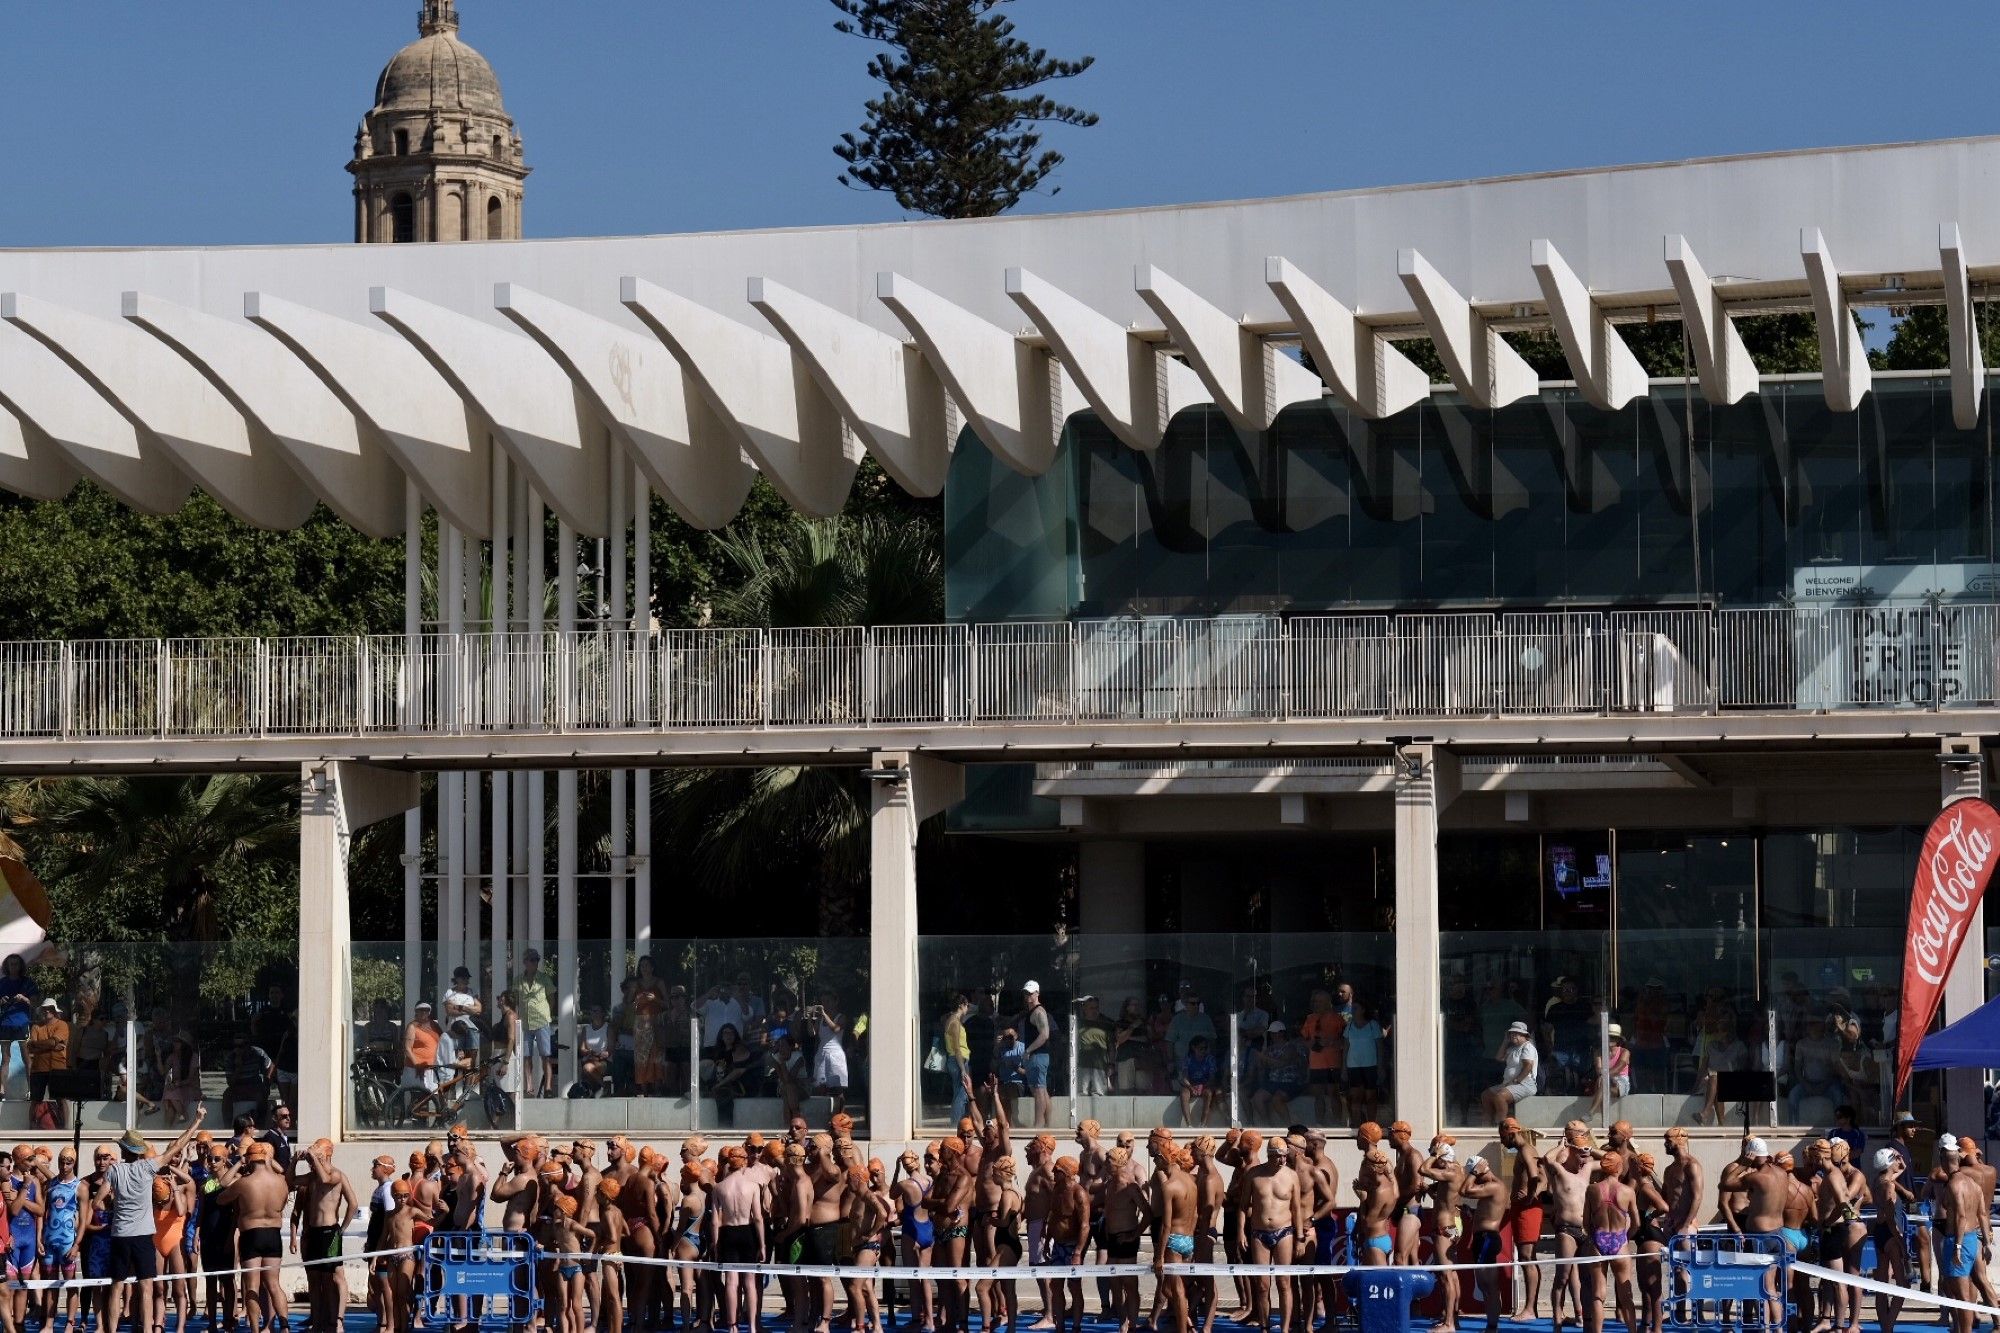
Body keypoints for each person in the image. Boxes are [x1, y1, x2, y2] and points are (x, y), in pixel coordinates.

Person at [98, 1116, 207, 1333]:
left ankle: (111, 1330)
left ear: (123, 1151)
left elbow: (96, 1202)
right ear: (139, 1152)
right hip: (143, 1236)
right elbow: (178, 1145)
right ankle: (148, 1329)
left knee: (116, 1286)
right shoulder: (148, 1167)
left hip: (120, 1234)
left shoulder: (114, 1170)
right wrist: (196, 1121)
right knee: (147, 1287)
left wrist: (112, 1206)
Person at [290, 1138, 356, 1333]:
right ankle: (317, 1322)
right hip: (313, 1233)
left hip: (329, 1232)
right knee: (314, 1279)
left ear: (327, 1153)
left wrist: (342, 1228)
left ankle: (334, 1322)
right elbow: (291, 1181)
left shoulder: (336, 1175)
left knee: (329, 1280)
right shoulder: (311, 1178)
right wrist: (294, 1161)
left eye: (317, 1153)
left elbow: (351, 1202)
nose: (312, 1159)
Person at [512, 950, 556, 1100]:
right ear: (525, 962)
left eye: (536, 960)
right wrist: (516, 1018)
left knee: (546, 1055)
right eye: (531, 960)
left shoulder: (544, 979)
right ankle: (529, 1086)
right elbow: (515, 1001)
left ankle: (548, 1087)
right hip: (525, 1023)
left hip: (541, 1021)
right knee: (526, 1056)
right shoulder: (518, 980)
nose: (534, 962)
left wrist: (546, 1014)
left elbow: (552, 998)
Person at [1300, 989, 1346, 1124]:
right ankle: (1319, 1123)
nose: (1317, 1004)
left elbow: (1345, 1041)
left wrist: (1331, 1042)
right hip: (1316, 1063)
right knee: (1318, 1095)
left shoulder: (1337, 1019)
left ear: (1327, 1003)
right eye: (1315, 1001)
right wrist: (1311, 1044)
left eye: (1320, 1001)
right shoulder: (1310, 1019)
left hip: (1332, 1063)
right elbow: (1304, 1039)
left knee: (1334, 1094)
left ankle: (1338, 1123)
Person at [1482, 1021, 1537, 1122]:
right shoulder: (1512, 1048)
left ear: (1524, 1035)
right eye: (1511, 1033)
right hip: (1508, 1083)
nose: (1513, 1035)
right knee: (1486, 1095)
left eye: (1517, 1033)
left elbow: (1528, 1066)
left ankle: (1502, 1126)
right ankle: (1486, 1126)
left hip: (1524, 1084)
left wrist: (1517, 1080)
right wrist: (1505, 1041)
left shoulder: (1527, 1047)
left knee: (1500, 1097)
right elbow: (1499, 1058)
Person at [0, 956, 38, 1097]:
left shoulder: (28, 982)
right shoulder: (2, 982)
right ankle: (1, 1090)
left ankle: (31, 1090)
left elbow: (35, 1003)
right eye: (11, 964)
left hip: (22, 1023)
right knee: (5, 1059)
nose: (13, 967)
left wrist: (24, 998)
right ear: (7, 966)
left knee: (27, 1058)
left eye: (16, 964)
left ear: (20, 966)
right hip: (5, 1024)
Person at [1343, 1003, 1387, 1125]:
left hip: (1371, 1066)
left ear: (1363, 1009)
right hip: (1353, 1066)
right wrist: (1344, 1069)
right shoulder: (1349, 1026)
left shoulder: (1373, 1025)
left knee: (1371, 1097)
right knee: (1356, 1097)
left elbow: (1380, 1048)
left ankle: (1372, 1126)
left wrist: (1380, 1067)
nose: (1353, 1010)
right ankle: (1356, 1126)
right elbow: (1346, 1049)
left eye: (1356, 1008)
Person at [25, 998, 69, 1110]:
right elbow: (31, 1048)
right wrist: (53, 1046)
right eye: (45, 1009)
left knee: (61, 1099)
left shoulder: (62, 1025)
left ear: (55, 1011)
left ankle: (64, 1127)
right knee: (35, 1100)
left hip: (57, 1067)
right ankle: (32, 1126)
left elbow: (48, 1042)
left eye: (50, 1009)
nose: (47, 1011)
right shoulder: (36, 1027)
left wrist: (37, 1044)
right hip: (38, 1069)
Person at [1020, 981, 1053, 1129]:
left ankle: (1039, 1125)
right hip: (1036, 1056)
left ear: (1037, 993)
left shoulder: (1039, 1012)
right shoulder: (1031, 1012)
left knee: (1038, 1090)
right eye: (1026, 993)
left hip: (1038, 1055)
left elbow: (1044, 1034)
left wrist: (1028, 1050)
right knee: (1041, 1090)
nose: (1028, 995)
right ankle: (1047, 1124)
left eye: (1031, 993)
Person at [942, 993, 975, 1124]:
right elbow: (956, 1047)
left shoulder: (951, 1020)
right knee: (961, 1095)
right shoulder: (954, 1022)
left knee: (960, 1093)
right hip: (958, 1061)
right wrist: (962, 1069)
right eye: (967, 1005)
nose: (967, 1008)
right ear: (961, 1005)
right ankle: (956, 1125)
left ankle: (960, 1123)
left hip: (956, 1060)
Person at [403, 1000, 443, 1091]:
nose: (424, 1012)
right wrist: (418, 1065)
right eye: (421, 1009)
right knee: (417, 1099)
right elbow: (407, 1049)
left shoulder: (434, 1025)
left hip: (432, 1068)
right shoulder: (412, 1027)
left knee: (430, 1098)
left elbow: (443, 1041)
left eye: (426, 1010)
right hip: (415, 1069)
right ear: (416, 1011)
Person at [1178, 1036, 1217, 1128]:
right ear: (1193, 1048)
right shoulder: (1188, 1059)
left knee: (1209, 1093)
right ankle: (1189, 1125)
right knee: (1183, 1094)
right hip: (1190, 1085)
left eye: (1205, 1048)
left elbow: (1212, 1078)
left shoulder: (1210, 1059)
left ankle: (1202, 1124)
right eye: (1201, 1048)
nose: (1203, 1051)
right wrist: (1191, 1087)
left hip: (1205, 1085)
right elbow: (1184, 1077)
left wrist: (1203, 1086)